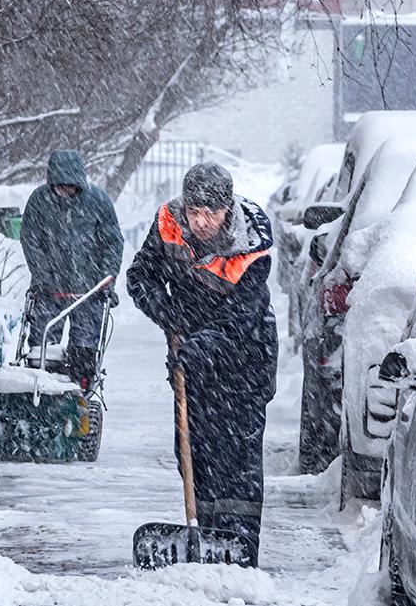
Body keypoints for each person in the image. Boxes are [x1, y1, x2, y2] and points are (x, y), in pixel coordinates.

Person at [126, 162, 278, 567]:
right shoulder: (170, 225)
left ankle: (239, 545)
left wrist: (199, 346)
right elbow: (141, 275)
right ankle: (205, 534)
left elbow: (240, 320)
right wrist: (167, 311)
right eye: (195, 212)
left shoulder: (250, 246)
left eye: (211, 213)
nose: (202, 221)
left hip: (245, 361)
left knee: (237, 458)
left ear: (227, 209)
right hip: (191, 357)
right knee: (195, 447)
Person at [20, 150, 123, 389]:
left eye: (71, 187)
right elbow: (31, 239)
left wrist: (106, 279)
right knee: (41, 349)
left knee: (84, 350)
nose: (66, 192)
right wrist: (44, 276)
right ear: (52, 183)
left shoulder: (97, 201)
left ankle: (81, 392)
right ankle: (41, 390)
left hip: (89, 291)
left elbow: (112, 242)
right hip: (49, 290)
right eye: (61, 187)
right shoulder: (39, 201)